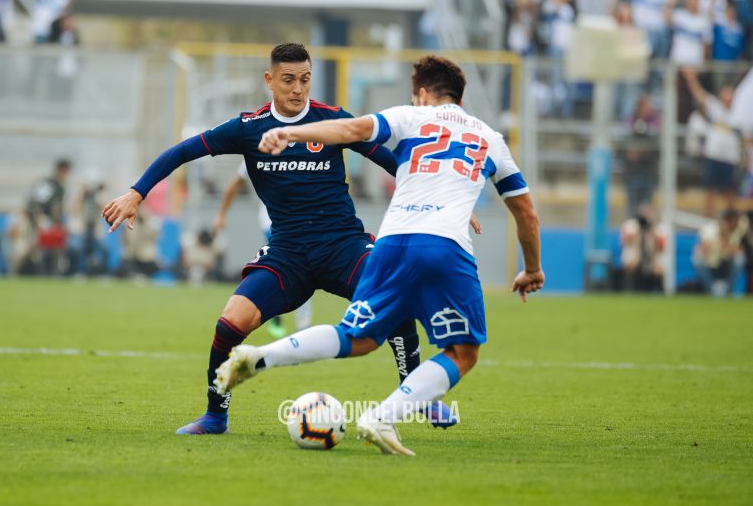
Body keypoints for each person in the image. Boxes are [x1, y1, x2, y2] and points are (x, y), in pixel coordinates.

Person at [102, 43, 447, 435]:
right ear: (269, 80)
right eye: (288, 80)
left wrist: (439, 193)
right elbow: (182, 152)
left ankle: (420, 397)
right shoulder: (248, 128)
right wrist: (136, 192)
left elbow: (394, 161)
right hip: (288, 254)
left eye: (304, 79)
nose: (297, 89)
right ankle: (216, 415)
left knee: (396, 303)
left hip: (343, 246)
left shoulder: (331, 121)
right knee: (230, 323)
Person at [214, 55, 544, 456]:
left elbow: (352, 129)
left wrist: (292, 135)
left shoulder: (411, 116)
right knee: (462, 351)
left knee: (360, 337)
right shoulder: (489, 137)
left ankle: (261, 355)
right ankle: (382, 416)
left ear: (423, 94)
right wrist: (531, 268)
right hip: (444, 245)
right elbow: (525, 212)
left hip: (391, 242)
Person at [214, 159, 312, 338]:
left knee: (300, 268)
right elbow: (235, 183)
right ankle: (291, 320)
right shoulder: (258, 150)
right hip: (273, 221)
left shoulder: (303, 150)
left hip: (300, 220)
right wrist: (221, 214)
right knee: (293, 267)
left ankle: (296, 323)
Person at [683, 68, 743, 216]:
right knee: (710, 193)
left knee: (731, 195)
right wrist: (691, 79)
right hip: (714, 157)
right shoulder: (715, 108)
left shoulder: (739, 114)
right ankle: (708, 223)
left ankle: (731, 225)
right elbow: (699, 94)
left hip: (731, 160)